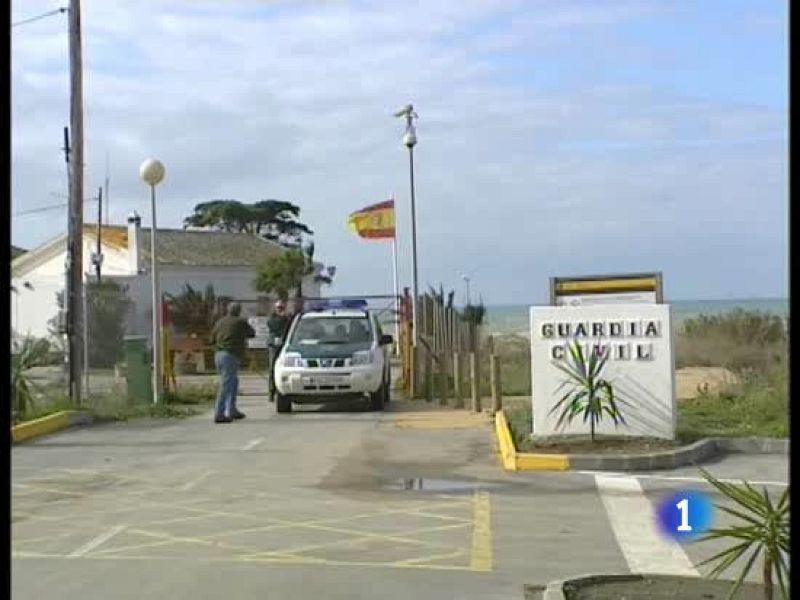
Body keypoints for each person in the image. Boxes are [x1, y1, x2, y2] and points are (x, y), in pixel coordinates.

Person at [209, 302, 255, 423]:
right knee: (226, 384)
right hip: (230, 355)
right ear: (238, 311)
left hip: (218, 355)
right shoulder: (240, 322)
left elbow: (211, 339)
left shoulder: (220, 322)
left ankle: (232, 409)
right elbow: (252, 333)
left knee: (233, 382)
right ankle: (219, 413)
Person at [267, 300, 292, 402]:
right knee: (272, 369)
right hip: (274, 346)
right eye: (279, 308)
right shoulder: (273, 318)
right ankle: (271, 392)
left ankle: (282, 391)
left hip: (284, 346)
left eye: (282, 308)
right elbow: (273, 325)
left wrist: (287, 318)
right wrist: (283, 318)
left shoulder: (287, 318)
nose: (280, 310)